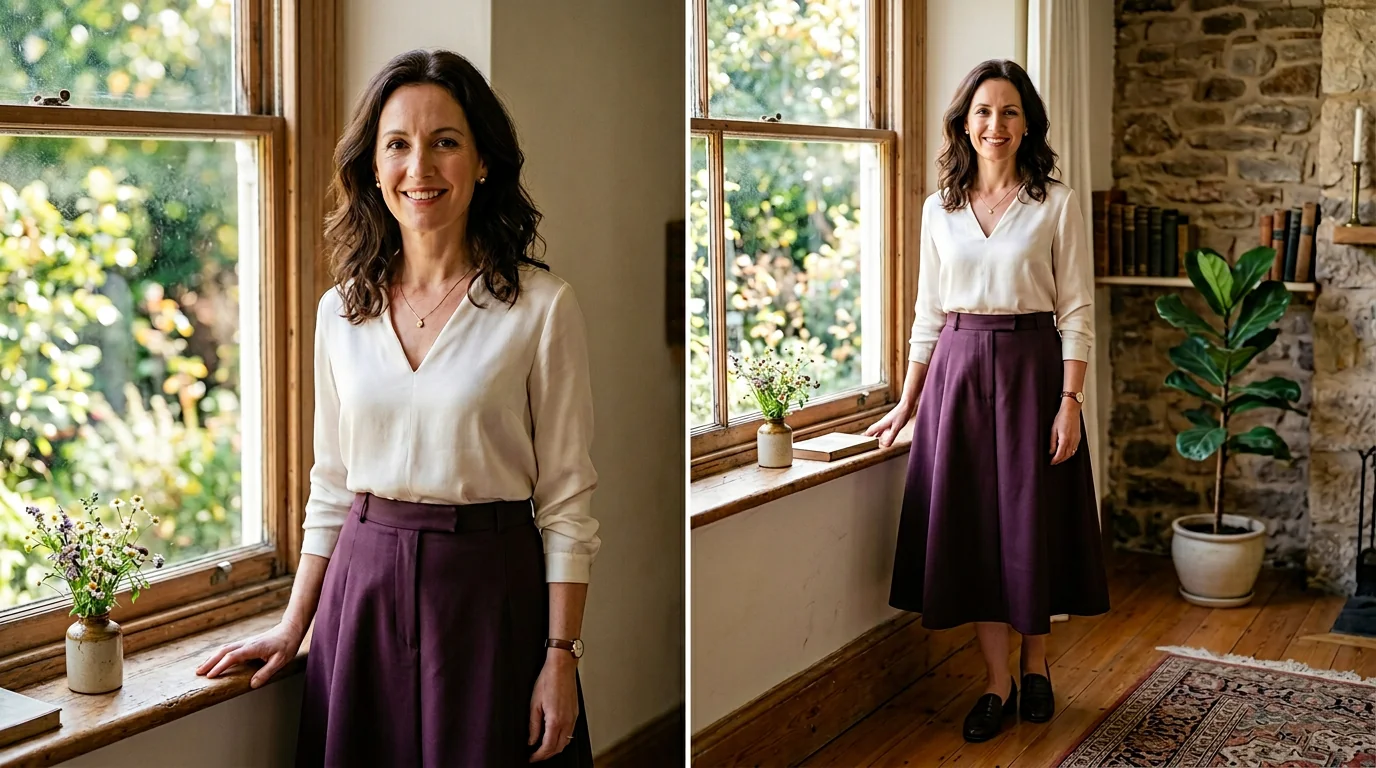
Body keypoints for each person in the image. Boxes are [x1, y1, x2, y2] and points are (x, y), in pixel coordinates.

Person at [194, 48, 600, 767]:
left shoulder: (541, 307)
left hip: (490, 596)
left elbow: (568, 502)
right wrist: (295, 627)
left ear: (482, 162)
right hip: (363, 592)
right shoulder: (340, 313)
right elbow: (330, 483)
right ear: (373, 167)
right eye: (398, 145)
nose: (421, 168)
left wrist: (561, 656)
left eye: (445, 142)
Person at [865, 59, 1110, 744]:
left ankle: (1038, 669)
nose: (994, 125)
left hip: (1035, 371)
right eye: (981, 112)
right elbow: (926, 315)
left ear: (1025, 121)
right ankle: (996, 683)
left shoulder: (1054, 203)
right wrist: (909, 403)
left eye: (1007, 112)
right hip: (960, 376)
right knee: (974, 534)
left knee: (1030, 529)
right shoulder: (938, 208)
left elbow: (1078, 308)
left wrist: (1071, 400)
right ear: (963, 123)